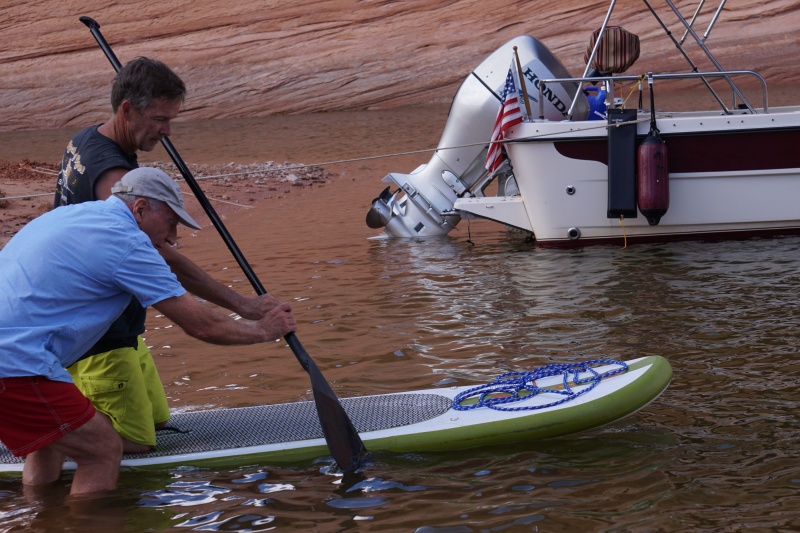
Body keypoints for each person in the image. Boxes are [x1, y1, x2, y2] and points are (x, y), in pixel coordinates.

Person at [0, 167, 297, 496]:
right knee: (102, 451)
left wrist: (244, 306)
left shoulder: (75, 215)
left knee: (51, 441)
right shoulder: (126, 243)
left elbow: (174, 264)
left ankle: (41, 513)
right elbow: (202, 326)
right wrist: (263, 331)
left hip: (14, 355)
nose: (173, 237)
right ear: (140, 208)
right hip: (16, 362)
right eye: (171, 223)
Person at [53, 57, 279, 454]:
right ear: (127, 109)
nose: (167, 130)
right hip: (96, 334)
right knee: (136, 444)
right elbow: (160, 257)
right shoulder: (113, 178)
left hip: (119, 325)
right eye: (159, 119)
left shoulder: (86, 139)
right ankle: (54, 438)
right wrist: (244, 307)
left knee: (157, 422)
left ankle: (73, 419)